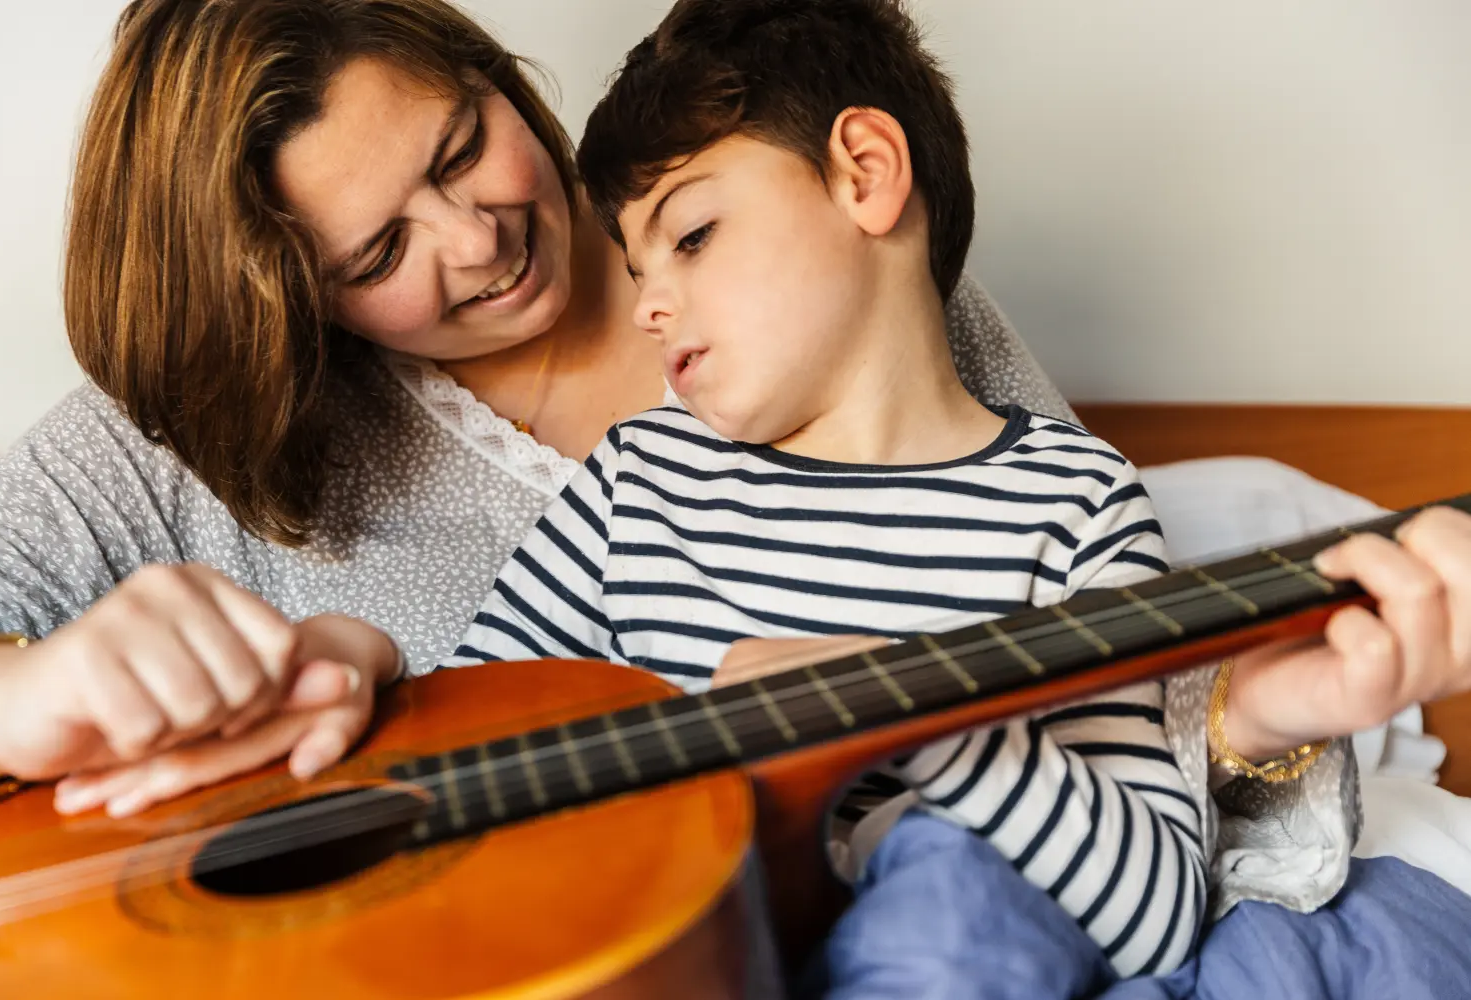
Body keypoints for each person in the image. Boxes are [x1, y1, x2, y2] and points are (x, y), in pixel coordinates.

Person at [0, 0, 1465, 985]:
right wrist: (352, 667)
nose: (479, 239)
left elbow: (1141, 827)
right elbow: (476, 727)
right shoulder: (613, 481)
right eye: (376, 256)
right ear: (287, 305)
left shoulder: (989, 423)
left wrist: (928, 711)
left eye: (464, 146)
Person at [444, 0, 1200, 977]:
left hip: (945, 962)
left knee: (951, 883)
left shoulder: (1075, 502)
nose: (647, 306)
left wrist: (913, 710)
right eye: (636, 269)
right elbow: (449, 774)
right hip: (687, 961)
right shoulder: (638, 480)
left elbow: (1161, 916)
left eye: (692, 235)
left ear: (865, 173)